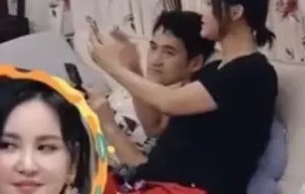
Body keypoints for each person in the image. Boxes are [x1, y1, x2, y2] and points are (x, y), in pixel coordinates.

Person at [74, 0, 278, 194]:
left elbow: (167, 101)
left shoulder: (252, 72)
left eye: (209, 2)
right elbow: (157, 125)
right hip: (153, 183)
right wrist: (132, 67)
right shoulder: (216, 70)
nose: (203, 12)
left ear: (235, 12)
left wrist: (113, 66)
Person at [88, 10, 215, 168]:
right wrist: (133, 68)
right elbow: (154, 128)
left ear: (195, 63)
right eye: (153, 48)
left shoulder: (195, 108)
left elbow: (147, 171)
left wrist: (108, 124)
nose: (155, 60)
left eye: (169, 53)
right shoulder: (177, 94)